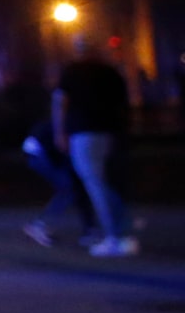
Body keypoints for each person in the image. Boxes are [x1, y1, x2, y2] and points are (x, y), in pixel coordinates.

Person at [52, 43, 135, 258]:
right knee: (105, 182)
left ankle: (114, 236)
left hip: (84, 131)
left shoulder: (72, 72)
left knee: (94, 182)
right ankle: (121, 230)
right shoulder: (110, 73)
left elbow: (61, 102)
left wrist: (60, 131)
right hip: (109, 131)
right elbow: (124, 102)